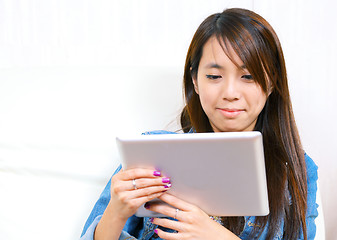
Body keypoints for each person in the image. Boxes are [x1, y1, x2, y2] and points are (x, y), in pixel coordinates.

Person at [80, 8, 318, 240]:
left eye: (249, 76)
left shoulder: (297, 170)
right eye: (214, 77)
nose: (230, 92)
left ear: (272, 82)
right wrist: (115, 213)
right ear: (195, 80)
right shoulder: (150, 151)